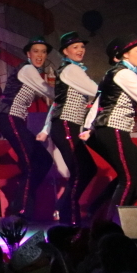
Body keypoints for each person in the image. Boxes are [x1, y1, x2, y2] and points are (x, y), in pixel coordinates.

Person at [37, 32, 101, 226]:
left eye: (82, 47)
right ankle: (70, 217)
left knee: (86, 169)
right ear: (65, 51)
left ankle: (65, 208)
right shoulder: (71, 69)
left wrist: (46, 129)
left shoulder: (71, 69)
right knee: (82, 170)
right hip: (65, 124)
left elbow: (57, 103)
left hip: (67, 124)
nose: (80, 50)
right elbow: (96, 90)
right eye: (75, 47)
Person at [0, 37, 55, 218]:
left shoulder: (32, 71)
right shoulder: (27, 69)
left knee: (44, 159)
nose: (40, 55)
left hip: (16, 120)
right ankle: (21, 210)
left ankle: (20, 201)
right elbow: (47, 91)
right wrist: (67, 95)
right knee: (30, 163)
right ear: (28, 54)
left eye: (43, 52)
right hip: (9, 117)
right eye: (36, 51)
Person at [89, 35, 137, 220]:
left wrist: (89, 127)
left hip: (112, 129)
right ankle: (111, 223)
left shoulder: (119, 72)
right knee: (128, 178)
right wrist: (88, 127)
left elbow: (100, 101)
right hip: (112, 128)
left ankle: (101, 211)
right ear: (125, 54)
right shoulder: (124, 73)